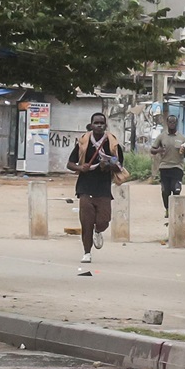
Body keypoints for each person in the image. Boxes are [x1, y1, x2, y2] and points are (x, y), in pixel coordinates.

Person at [67, 112, 125, 264]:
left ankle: (98, 231)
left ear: (105, 125)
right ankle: (87, 252)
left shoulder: (112, 143)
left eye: (102, 123)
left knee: (104, 220)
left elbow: (119, 165)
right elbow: (70, 163)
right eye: (96, 123)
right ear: (91, 125)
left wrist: (109, 165)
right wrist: (81, 168)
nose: (99, 125)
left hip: (103, 187)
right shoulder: (83, 142)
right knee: (86, 222)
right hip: (85, 186)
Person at [150, 115, 185, 217]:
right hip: (164, 167)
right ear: (167, 123)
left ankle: (175, 210)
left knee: (176, 189)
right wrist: (159, 150)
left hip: (177, 167)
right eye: (170, 122)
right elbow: (152, 150)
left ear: (177, 123)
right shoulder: (162, 137)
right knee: (165, 191)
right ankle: (167, 209)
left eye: (174, 122)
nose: (172, 124)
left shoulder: (182, 138)